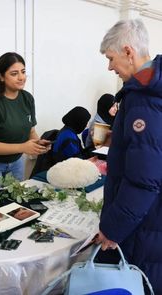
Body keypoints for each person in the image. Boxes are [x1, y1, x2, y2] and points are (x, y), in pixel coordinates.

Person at [95, 19, 162, 294]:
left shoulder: (144, 100)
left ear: (128, 52)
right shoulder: (145, 91)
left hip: (147, 225)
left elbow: (143, 180)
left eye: (110, 58)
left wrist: (112, 229)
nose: (110, 67)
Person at [0, 52, 50, 192]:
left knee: (15, 203)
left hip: (16, 162)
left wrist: (39, 144)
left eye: (23, 72)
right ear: (1, 77)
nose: (21, 77)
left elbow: (30, 130)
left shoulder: (27, 99)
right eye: (14, 74)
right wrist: (23, 147)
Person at [30, 106, 91, 178]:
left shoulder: (66, 131)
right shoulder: (69, 138)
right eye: (85, 122)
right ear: (78, 121)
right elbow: (76, 163)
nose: (86, 125)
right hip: (61, 176)